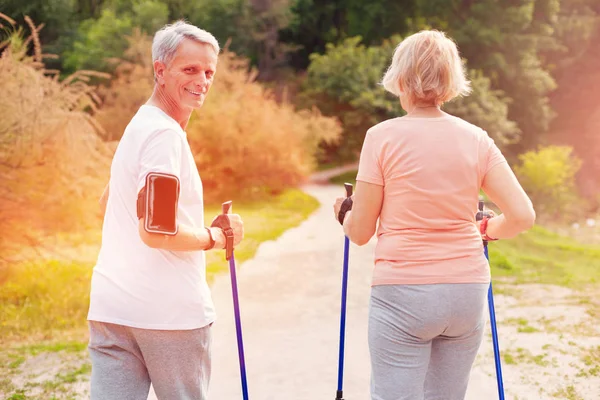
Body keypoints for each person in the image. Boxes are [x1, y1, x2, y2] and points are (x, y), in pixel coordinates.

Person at [333, 30, 535, 400]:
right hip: (466, 290)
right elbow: (522, 215)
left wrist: (343, 215)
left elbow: (360, 232)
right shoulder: (477, 139)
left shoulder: (381, 137)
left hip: (404, 293)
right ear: (451, 79)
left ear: (400, 76)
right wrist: (487, 230)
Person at [88, 21, 244, 400]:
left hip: (112, 311)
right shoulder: (163, 135)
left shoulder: (139, 125)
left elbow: (106, 203)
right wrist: (217, 236)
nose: (202, 80)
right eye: (189, 69)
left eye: (209, 72)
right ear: (160, 70)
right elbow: (157, 231)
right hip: (168, 316)